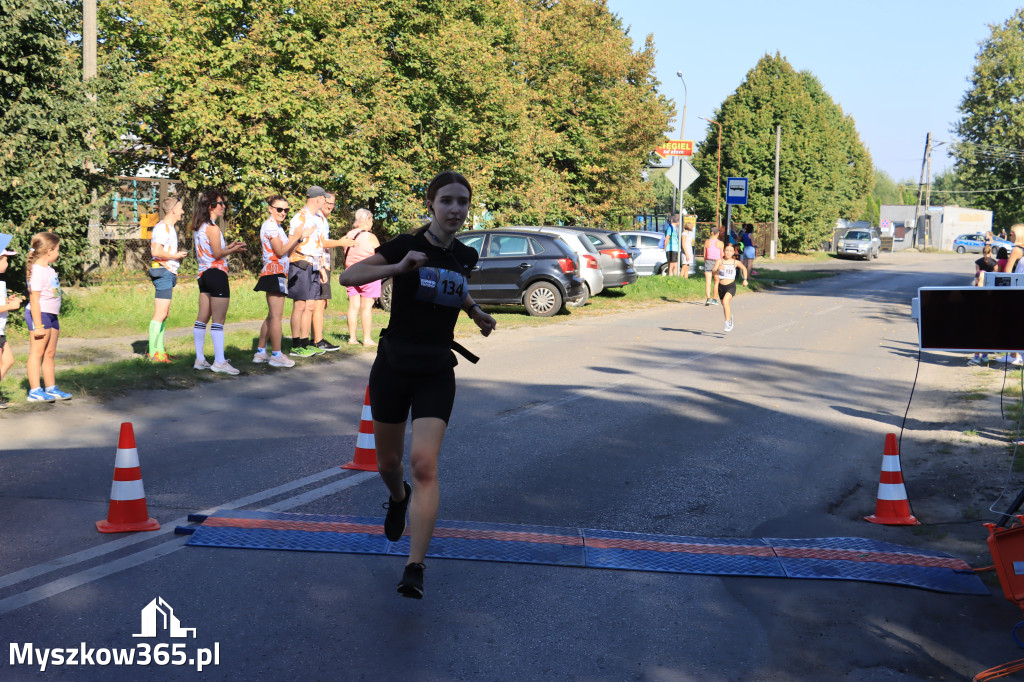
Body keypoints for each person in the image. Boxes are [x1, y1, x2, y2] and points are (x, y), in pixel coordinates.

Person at [338, 170, 497, 599]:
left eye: (462, 202)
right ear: (431, 204)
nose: (455, 209)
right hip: (393, 365)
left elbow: (455, 286)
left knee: (424, 463)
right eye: (447, 200)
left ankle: (415, 567)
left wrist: (476, 312)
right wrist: (397, 267)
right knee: (389, 464)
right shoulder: (406, 245)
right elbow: (348, 278)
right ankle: (397, 496)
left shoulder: (465, 254)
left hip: (435, 369)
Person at [253, 195, 313, 368]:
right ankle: (276, 355)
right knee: (277, 317)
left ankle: (260, 352)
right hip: (273, 273)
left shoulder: (277, 227)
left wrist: (300, 238)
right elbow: (279, 251)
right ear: (270, 208)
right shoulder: (270, 226)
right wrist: (296, 236)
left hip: (278, 273)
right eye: (279, 209)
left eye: (286, 210)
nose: (283, 213)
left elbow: (287, 251)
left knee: (272, 316)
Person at [192, 190, 247, 375]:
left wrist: (229, 247)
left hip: (203, 274)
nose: (224, 206)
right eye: (220, 203)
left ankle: (200, 359)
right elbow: (217, 254)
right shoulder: (213, 228)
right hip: (217, 274)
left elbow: (211, 251)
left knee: (202, 318)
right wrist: (233, 251)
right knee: (218, 320)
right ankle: (219, 361)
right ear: (210, 206)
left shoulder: (200, 226)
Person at [24, 232, 71, 402]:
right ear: (49, 251)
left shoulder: (49, 269)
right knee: (37, 353)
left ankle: (51, 388)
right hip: (39, 315)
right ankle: (35, 391)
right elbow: (34, 299)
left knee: (49, 353)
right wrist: (38, 325)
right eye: (57, 250)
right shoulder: (37, 271)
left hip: (51, 315)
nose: (59, 253)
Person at [287, 186, 329, 358]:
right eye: (324, 199)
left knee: (310, 305)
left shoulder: (318, 218)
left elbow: (319, 245)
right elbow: (290, 244)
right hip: (300, 263)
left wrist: (321, 268)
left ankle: (306, 343)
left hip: (314, 264)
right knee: (300, 305)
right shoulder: (299, 218)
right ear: (317, 199)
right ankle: (296, 343)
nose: (326, 202)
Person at [147, 196, 188, 362]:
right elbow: (156, 251)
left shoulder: (169, 228)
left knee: (165, 314)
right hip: (163, 271)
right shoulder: (163, 228)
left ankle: (160, 351)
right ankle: (153, 353)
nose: (183, 211)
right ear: (173, 210)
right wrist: (174, 256)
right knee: (160, 313)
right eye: (180, 208)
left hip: (168, 272)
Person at [309, 191, 350, 352]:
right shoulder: (317, 218)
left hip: (323, 264)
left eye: (333, 204)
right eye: (327, 202)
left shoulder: (323, 219)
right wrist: (341, 242)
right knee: (319, 303)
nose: (330, 206)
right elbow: (321, 242)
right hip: (318, 264)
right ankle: (318, 341)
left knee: (323, 303)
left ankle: (315, 338)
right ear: (320, 201)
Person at [344, 209, 382, 346]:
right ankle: (366, 339)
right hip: (368, 274)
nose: (372, 223)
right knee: (367, 307)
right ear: (367, 220)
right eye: (371, 220)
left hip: (351, 273)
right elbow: (381, 255)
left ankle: (352, 338)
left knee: (353, 306)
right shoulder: (370, 237)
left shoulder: (348, 235)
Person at [0, 241, 23, 408]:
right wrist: (10, 306)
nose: (7, 264)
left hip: (0, 330)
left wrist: (9, 300)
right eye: (4, 260)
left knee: (8, 361)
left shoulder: (1, 282)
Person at [968, 244, 998, 366]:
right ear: (990, 252)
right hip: (991, 296)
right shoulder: (994, 263)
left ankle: (976, 356)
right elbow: (996, 276)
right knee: (987, 330)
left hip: (979, 301)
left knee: (977, 330)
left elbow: (977, 274)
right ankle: (985, 356)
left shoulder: (978, 262)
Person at [1000, 224, 1024, 367]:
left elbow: (1007, 272)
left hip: (1017, 290)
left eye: (1011, 233)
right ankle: (1015, 355)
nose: (1010, 236)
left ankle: (1014, 355)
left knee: (1013, 323)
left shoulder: (1017, 249)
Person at [711, 243, 748, 333]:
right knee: (724, 305)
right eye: (726, 250)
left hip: (731, 286)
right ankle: (729, 318)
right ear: (723, 251)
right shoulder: (719, 261)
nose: (728, 252)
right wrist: (718, 269)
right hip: (721, 286)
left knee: (725, 301)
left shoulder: (735, 262)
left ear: (733, 252)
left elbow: (744, 268)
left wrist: (745, 279)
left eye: (730, 251)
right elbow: (713, 271)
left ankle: (727, 323)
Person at [702, 227, 724, 306]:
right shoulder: (720, 243)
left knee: (708, 281)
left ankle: (708, 298)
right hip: (717, 262)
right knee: (716, 281)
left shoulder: (707, 242)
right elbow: (721, 255)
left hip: (708, 261)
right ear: (717, 233)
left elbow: (704, 255)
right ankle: (714, 299)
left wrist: (706, 262)